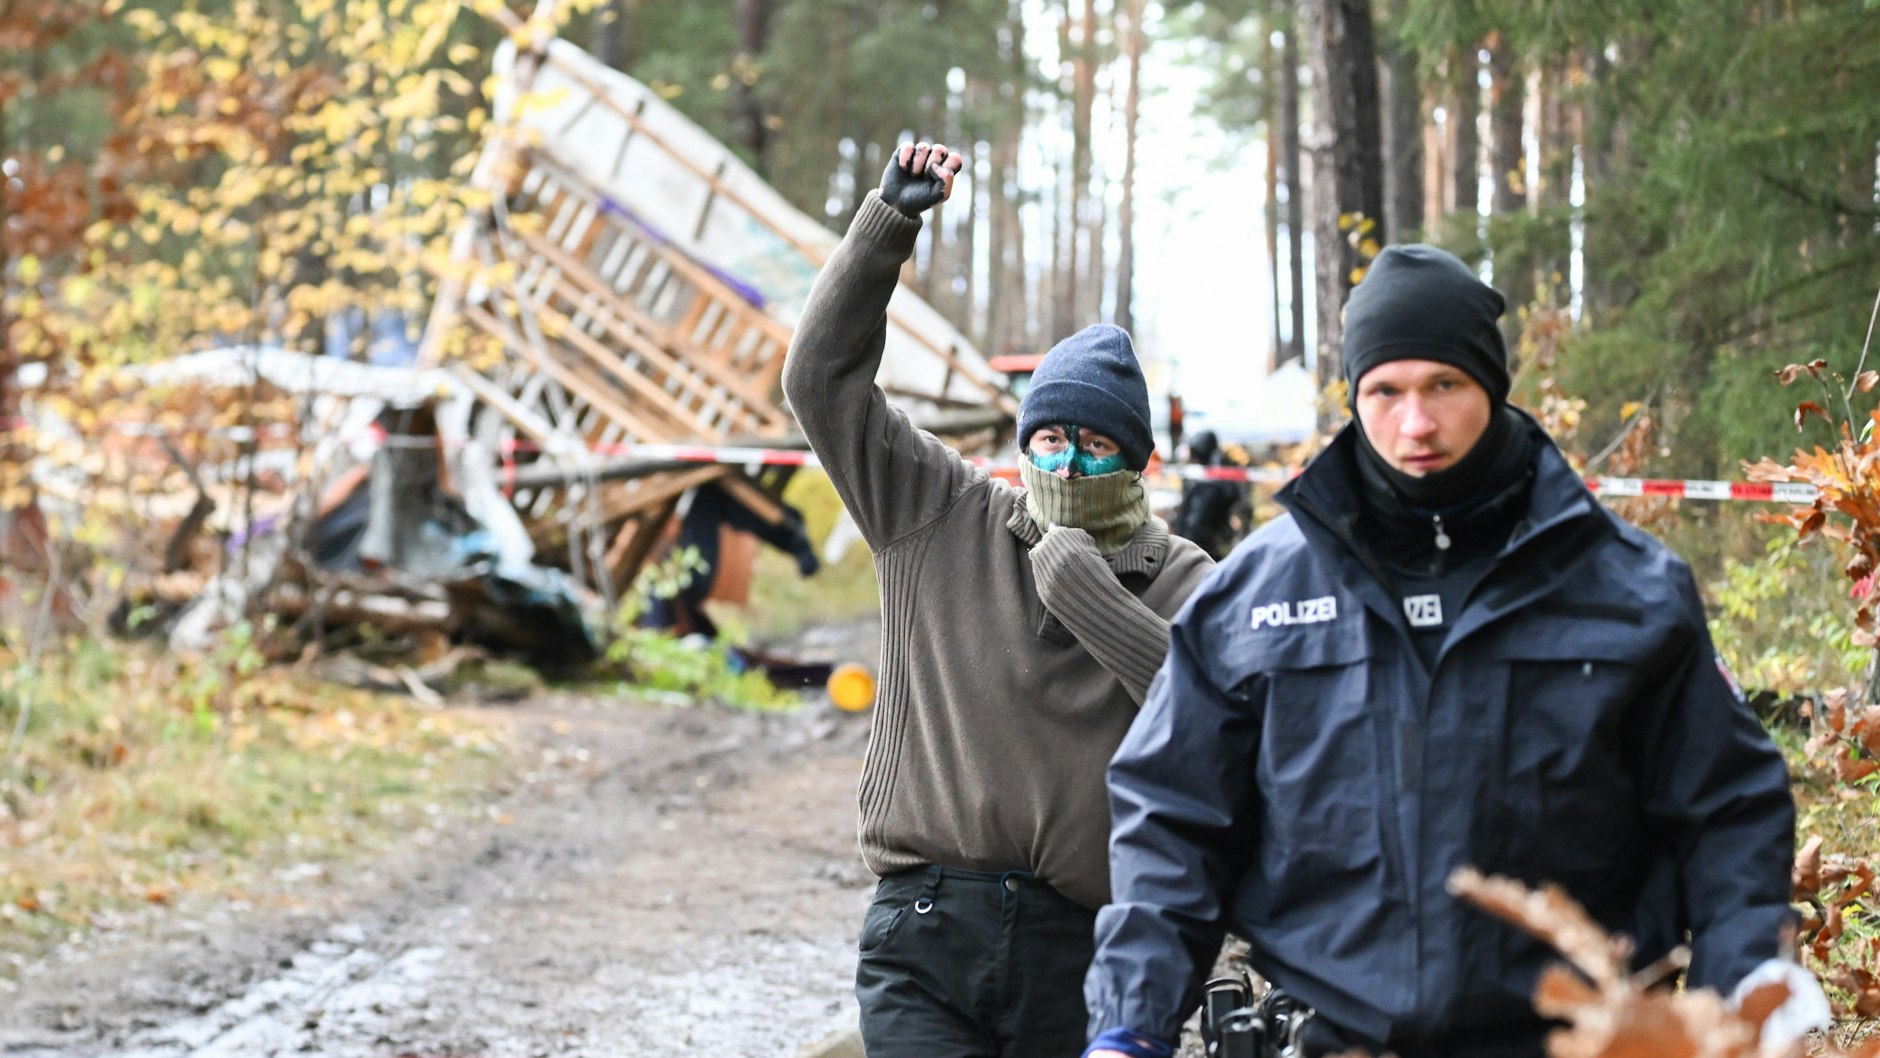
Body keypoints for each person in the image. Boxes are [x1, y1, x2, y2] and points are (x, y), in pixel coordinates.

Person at [1083, 245, 1825, 1058]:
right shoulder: (1257, 598)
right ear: (1355, 398)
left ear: (1492, 387)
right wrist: (1131, 1021)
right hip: (1332, 1035)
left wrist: (1743, 992)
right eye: (1386, 392)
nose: (1417, 424)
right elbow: (1173, 815)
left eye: (1444, 386)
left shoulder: (1627, 590)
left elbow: (1728, 814)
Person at [782, 140, 1216, 1058]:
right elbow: (819, 381)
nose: (1067, 461)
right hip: (926, 927)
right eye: (1048, 438)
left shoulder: (1186, 579)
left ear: (1140, 461)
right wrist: (889, 224)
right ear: (1022, 448)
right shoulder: (938, 514)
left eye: (1095, 444)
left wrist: (1100, 608)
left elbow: (1234, 721)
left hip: (1085, 952)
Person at [1169, 430, 1250, 561]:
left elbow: (1196, 525)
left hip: (1204, 550)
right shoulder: (1204, 480)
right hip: (1204, 549)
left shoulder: (1211, 484)